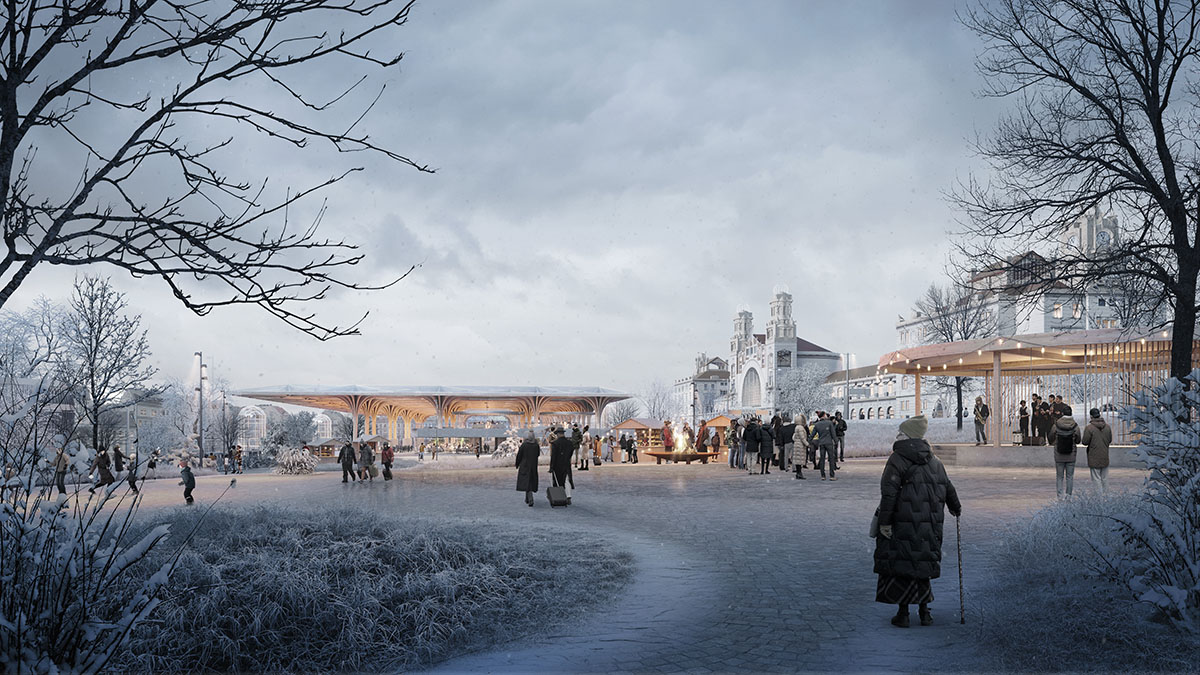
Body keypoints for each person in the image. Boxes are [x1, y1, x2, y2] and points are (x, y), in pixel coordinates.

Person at [874, 414, 961, 628]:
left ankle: (903, 613)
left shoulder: (897, 459)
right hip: (929, 523)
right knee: (921, 562)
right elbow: (948, 487)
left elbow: (889, 493)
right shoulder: (934, 460)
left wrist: (884, 522)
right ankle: (924, 613)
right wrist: (955, 508)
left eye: (900, 432)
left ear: (906, 436)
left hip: (902, 521)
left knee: (902, 562)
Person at [1081, 408, 1112, 492]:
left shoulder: (1089, 428)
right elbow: (1109, 440)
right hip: (1105, 455)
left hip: (1094, 456)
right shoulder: (1107, 427)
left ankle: (1099, 499)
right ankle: (1107, 498)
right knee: (1105, 479)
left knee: (1096, 479)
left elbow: (1085, 442)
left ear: (1091, 416)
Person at [1052, 411, 1081, 499]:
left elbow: (1050, 436)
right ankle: (1068, 497)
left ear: (1062, 414)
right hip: (1071, 454)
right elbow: (1078, 440)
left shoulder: (1056, 425)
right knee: (1069, 477)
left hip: (1059, 454)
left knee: (1059, 476)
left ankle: (1060, 497)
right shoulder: (1075, 426)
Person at [549, 427, 574, 504]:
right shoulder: (569, 443)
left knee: (558, 481)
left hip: (557, 465)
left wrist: (551, 467)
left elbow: (553, 456)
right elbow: (571, 453)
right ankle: (568, 496)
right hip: (566, 464)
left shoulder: (555, 444)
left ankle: (559, 497)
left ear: (557, 434)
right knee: (567, 480)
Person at [515, 430, 540, 506]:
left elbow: (519, 455)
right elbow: (538, 455)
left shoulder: (524, 445)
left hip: (525, 465)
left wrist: (517, 464)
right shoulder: (536, 445)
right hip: (533, 465)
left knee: (527, 482)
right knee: (530, 481)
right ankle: (527, 498)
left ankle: (530, 498)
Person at [812, 412, 839, 480]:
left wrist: (809, 441)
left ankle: (823, 475)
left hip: (821, 443)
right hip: (829, 443)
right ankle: (832, 475)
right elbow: (833, 433)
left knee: (822, 459)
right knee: (831, 459)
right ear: (824, 416)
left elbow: (812, 434)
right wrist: (836, 441)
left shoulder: (817, 424)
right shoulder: (829, 423)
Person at [792, 414, 809, 480]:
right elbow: (803, 438)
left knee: (798, 460)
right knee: (800, 460)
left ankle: (798, 473)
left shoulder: (796, 427)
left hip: (797, 445)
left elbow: (793, 437)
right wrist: (807, 444)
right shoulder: (801, 428)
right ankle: (799, 473)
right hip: (800, 446)